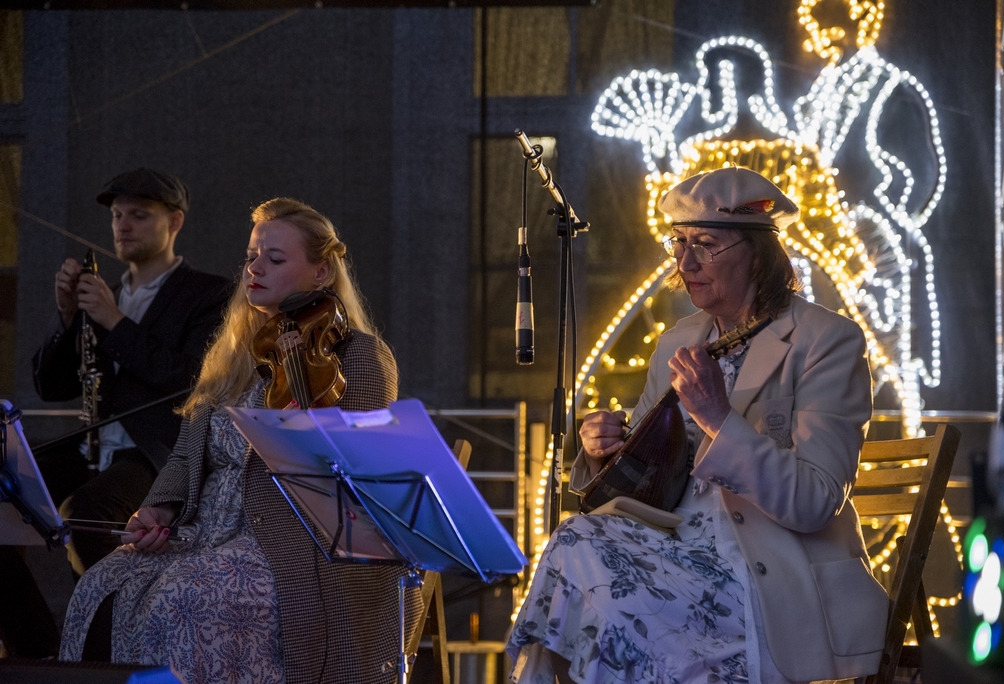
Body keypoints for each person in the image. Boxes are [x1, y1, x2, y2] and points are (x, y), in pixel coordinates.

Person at [507, 167, 888, 684]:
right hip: (676, 555)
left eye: (706, 245)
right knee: (577, 540)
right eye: (679, 243)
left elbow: (815, 501)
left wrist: (717, 417)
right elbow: (646, 474)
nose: (685, 263)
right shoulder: (677, 341)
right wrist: (605, 451)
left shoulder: (826, 340)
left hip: (768, 582)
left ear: (759, 253)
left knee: (598, 591)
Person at [58, 198, 418, 684]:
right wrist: (158, 509)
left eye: (275, 258)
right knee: (100, 585)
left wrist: (304, 426)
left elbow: (358, 474)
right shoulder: (232, 357)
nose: (255, 267)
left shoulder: (358, 355)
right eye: (251, 256)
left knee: (185, 598)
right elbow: (186, 455)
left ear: (321, 272)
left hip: (291, 544)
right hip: (205, 531)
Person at [0, 168, 231, 658]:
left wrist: (115, 321)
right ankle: (40, 652)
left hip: (158, 452)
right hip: (94, 445)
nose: (123, 225)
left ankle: (107, 651)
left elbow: (195, 379)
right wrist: (68, 318)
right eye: (117, 215)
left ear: (175, 222)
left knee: (85, 511)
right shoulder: (105, 292)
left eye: (139, 215)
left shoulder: (208, 294)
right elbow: (52, 385)